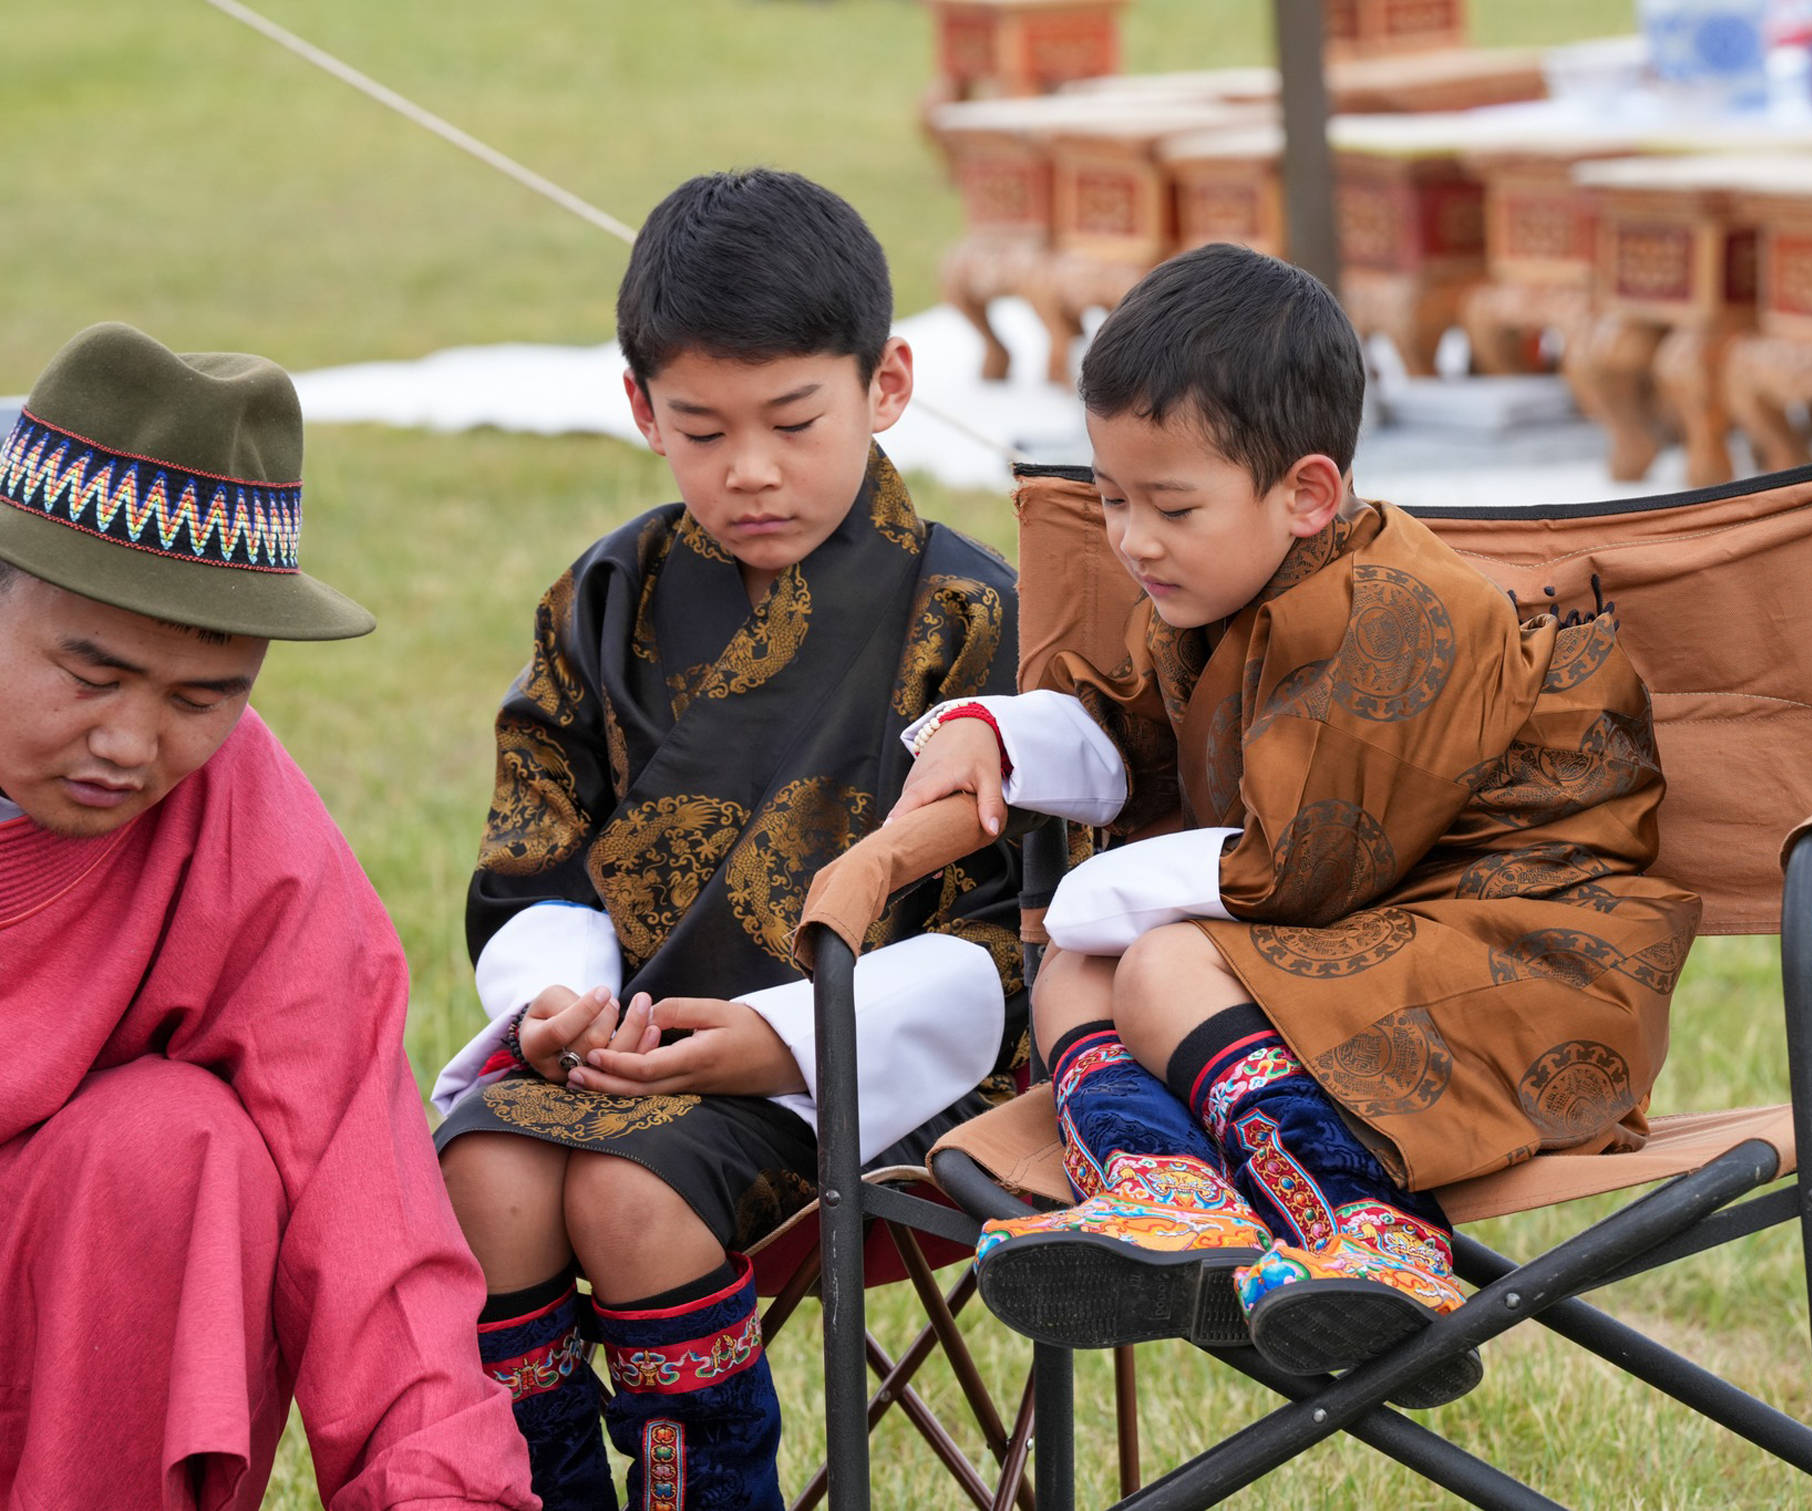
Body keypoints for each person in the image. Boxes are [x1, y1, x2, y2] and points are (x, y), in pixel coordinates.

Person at [891, 243, 1702, 1409]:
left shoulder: (1401, 618)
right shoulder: (1218, 589)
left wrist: (1100, 892)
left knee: (1152, 948)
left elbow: (1299, 869)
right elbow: (1126, 729)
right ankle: (1165, 1189)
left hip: (1532, 968)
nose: (1132, 540)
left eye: (1170, 506)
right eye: (1115, 499)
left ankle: (1376, 1229)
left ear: (1309, 493)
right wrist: (990, 729)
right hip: (1366, 962)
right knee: (1074, 957)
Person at [429, 168, 1025, 1511]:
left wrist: (786, 1037)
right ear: (641, 408)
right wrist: (553, 1000)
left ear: (887, 385)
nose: (751, 470)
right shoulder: (606, 596)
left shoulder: (973, 622)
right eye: (700, 428)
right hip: (623, 1051)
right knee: (487, 1166)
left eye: (794, 419)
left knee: (629, 1201)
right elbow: (542, 843)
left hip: (867, 1068)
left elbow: (1016, 928)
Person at [0, 323, 537, 1510]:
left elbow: (360, 1180)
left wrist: (440, 1486)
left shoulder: (237, 810)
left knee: (180, 1145)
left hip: (48, 1319)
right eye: (91, 675)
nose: (133, 744)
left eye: (202, 696)